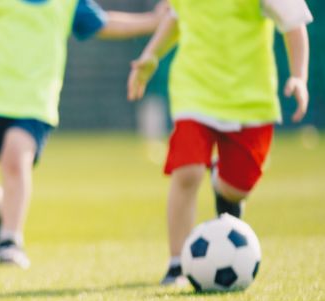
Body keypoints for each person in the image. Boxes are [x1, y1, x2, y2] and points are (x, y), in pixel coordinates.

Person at [0, 0, 164, 268]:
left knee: (16, 158)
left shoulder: (67, 3)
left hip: (34, 103)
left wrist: (153, 21)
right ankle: (1, 207)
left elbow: (104, 23)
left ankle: (10, 240)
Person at [127, 0, 311, 285]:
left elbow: (294, 24)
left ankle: (222, 185)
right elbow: (176, 16)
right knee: (187, 173)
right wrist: (151, 55)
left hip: (251, 101)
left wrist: (299, 77)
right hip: (195, 92)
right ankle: (177, 264)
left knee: (235, 189)